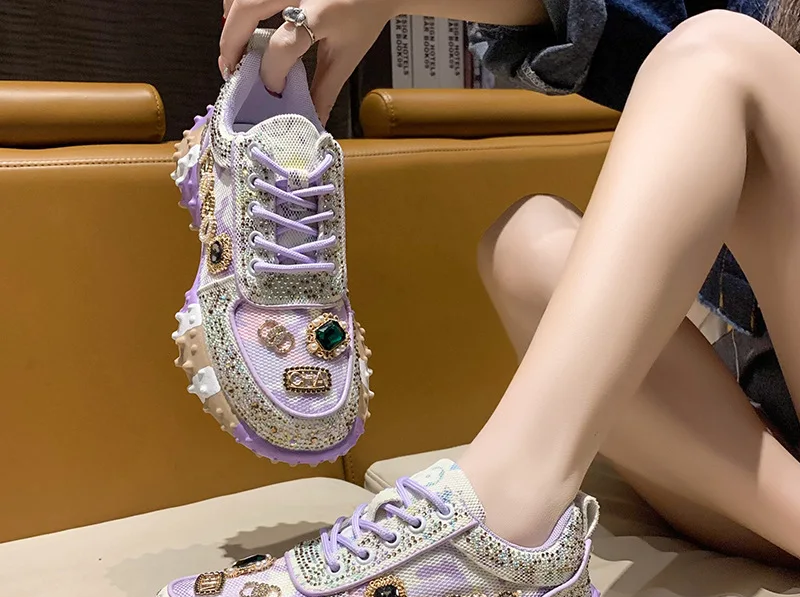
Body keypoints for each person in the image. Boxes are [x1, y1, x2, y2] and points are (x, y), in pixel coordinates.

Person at [216, 0, 800, 565]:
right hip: (775, 455)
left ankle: (501, 520)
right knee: (527, 241)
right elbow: (617, 15)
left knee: (723, 52)